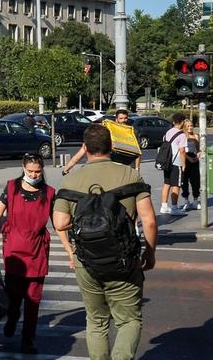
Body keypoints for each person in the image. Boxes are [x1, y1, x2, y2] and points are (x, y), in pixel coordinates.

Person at [53, 124, 157, 360]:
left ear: (85, 148)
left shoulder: (71, 180)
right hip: (124, 259)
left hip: (86, 261)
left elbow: (59, 222)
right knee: (129, 320)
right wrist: (149, 253)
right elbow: (149, 221)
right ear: (112, 146)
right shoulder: (130, 174)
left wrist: (85, 225)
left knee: (96, 321)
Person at [0, 154, 70, 355]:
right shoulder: (11, 188)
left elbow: (58, 225)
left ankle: (28, 339)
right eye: (30, 171)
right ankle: (12, 316)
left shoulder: (50, 193)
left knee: (33, 300)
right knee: (13, 295)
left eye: (37, 171)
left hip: (37, 251)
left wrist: (70, 250)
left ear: (42, 171)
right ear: (23, 169)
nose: (34, 175)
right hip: (14, 250)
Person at [63, 109, 141, 174]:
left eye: (125, 118)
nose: (123, 120)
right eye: (121, 118)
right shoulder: (109, 132)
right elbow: (81, 152)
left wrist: (137, 168)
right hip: (113, 166)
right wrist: (67, 168)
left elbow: (137, 152)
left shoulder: (132, 133)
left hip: (128, 167)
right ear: (116, 119)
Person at [160, 113, 187, 216]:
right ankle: (174, 207)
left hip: (167, 162)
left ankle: (164, 206)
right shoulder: (182, 134)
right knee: (176, 185)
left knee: (167, 183)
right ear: (183, 122)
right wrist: (183, 164)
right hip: (176, 162)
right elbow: (182, 151)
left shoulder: (168, 132)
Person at [180, 118, 201, 211]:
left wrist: (197, 156)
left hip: (194, 159)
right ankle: (186, 201)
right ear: (184, 127)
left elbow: (198, 149)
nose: (190, 128)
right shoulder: (182, 136)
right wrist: (188, 158)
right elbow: (181, 150)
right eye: (188, 126)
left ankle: (196, 201)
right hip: (185, 158)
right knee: (184, 181)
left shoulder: (196, 136)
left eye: (191, 125)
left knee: (195, 180)